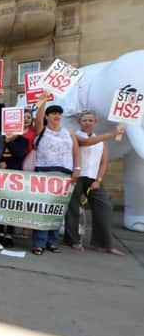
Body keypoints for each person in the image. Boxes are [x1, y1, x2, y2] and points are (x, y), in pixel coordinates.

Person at [63, 111, 125, 255]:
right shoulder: (75, 136)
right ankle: (72, 240)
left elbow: (103, 162)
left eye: (91, 120)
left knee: (105, 208)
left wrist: (99, 180)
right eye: (84, 120)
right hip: (77, 176)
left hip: (93, 178)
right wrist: (112, 133)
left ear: (95, 122)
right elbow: (85, 142)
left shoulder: (101, 141)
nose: (87, 122)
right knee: (73, 209)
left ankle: (103, 244)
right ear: (80, 122)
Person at [31, 92, 80, 255]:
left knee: (58, 209)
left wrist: (77, 170)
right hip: (45, 173)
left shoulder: (69, 132)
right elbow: (37, 120)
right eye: (53, 113)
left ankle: (52, 241)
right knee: (43, 209)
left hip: (64, 175)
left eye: (59, 113)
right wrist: (43, 100)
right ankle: (39, 242)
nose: (57, 115)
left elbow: (76, 152)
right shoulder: (41, 130)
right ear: (47, 116)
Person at [0, 108, 35, 246]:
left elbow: (20, 154)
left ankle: (9, 233)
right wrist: (0, 162)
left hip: (15, 176)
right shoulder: (0, 139)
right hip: (0, 175)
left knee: (10, 205)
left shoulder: (23, 140)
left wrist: (10, 141)